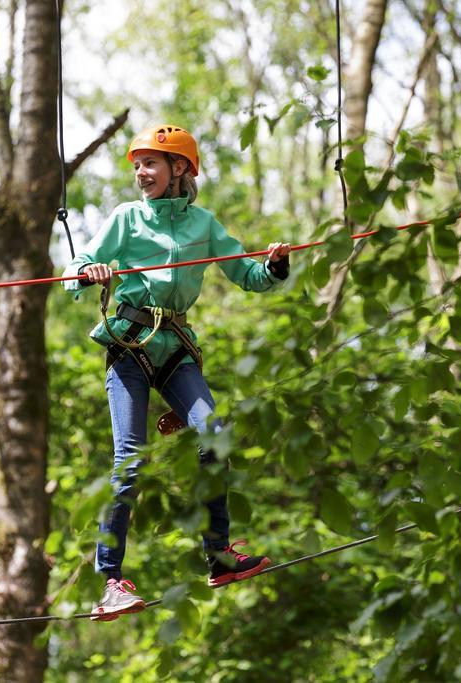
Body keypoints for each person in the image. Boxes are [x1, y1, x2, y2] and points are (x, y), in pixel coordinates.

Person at [63, 124, 291, 622]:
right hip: (129, 346)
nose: (141, 173)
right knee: (129, 460)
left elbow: (246, 275)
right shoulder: (127, 218)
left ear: (180, 169)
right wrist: (89, 272)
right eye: (137, 164)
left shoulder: (204, 225)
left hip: (177, 350)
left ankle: (219, 556)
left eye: (151, 163)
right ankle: (112, 581)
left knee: (215, 435)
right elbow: (75, 269)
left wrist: (273, 267)